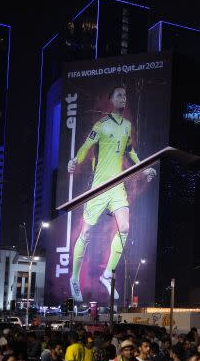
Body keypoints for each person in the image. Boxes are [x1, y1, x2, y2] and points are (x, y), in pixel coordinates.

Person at [67, 84, 156, 302]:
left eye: (125, 95)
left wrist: (144, 168)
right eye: (119, 95)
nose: (123, 98)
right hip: (99, 186)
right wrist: (75, 161)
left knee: (125, 228)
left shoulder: (127, 125)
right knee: (86, 232)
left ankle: (107, 274)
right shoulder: (101, 125)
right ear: (111, 100)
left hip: (117, 185)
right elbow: (86, 146)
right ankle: (74, 278)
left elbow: (129, 151)